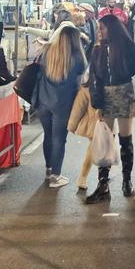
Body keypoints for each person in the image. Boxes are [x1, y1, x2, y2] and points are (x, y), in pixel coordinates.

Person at [82, 15, 135, 203]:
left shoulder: (127, 46)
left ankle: (127, 180)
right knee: (105, 138)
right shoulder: (96, 50)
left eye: (102, 28)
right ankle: (103, 184)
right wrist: (96, 104)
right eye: (98, 28)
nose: (99, 32)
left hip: (124, 92)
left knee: (125, 139)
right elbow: (94, 79)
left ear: (111, 29)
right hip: (105, 95)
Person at [33, 24, 88, 188]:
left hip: (43, 102)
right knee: (59, 140)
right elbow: (83, 76)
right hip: (63, 105)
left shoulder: (47, 52)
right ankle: (56, 177)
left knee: (48, 136)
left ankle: (49, 170)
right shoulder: (77, 57)